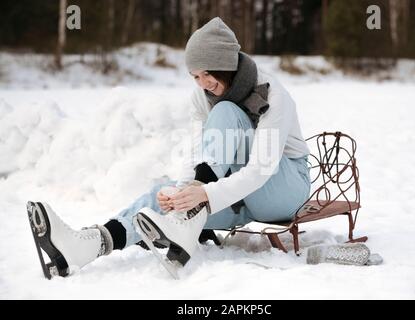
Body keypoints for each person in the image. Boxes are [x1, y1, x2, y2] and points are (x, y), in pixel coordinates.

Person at [27, 17, 311, 279]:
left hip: (283, 188)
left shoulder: (273, 94)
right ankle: (92, 243)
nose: (203, 84)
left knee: (225, 112)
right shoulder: (203, 96)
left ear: (225, 64)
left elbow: (261, 170)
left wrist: (203, 191)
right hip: (240, 192)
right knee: (164, 194)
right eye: (195, 76)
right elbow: (197, 152)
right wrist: (184, 191)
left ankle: (185, 219)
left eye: (207, 73)